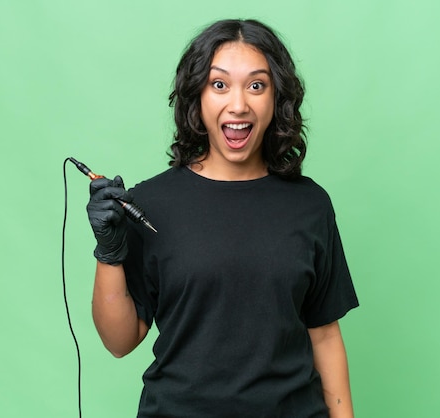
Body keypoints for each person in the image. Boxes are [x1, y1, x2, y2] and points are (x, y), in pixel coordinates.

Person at [86, 19, 359, 418]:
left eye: (256, 85)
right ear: (197, 96)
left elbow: (325, 335)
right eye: (219, 84)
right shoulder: (149, 203)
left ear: (276, 97)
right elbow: (119, 341)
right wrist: (108, 252)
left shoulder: (310, 204)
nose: (238, 104)